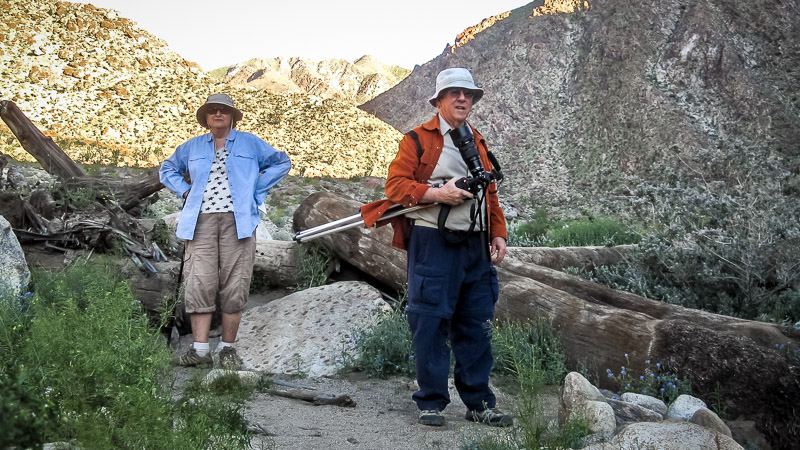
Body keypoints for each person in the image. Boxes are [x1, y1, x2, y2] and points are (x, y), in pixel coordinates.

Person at [383, 68, 511, 427]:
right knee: (430, 321)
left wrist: (498, 232)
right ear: (439, 100)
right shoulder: (418, 139)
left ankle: (479, 403)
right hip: (433, 243)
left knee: (476, 322)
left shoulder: (478, 141)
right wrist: (439, 193)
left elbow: (491, 193)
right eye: (454, 93)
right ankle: (431, 402)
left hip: (476, 244)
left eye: (467, 94)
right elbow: (394, 186)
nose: (461, 99)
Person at [159, 93, 291, 369]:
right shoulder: (192, 147)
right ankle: (200, 350)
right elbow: (167, 169)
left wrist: (256, 189)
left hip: (239, 220)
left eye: (223, 110)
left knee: (235, 283)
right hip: (200, 221)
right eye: (212, 111)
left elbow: (282, 162)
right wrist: (184, 190)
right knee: (200, 282)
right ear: (206, 117)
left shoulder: (250, 143)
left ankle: (228, 349)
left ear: (232, 116)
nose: (218, 114)